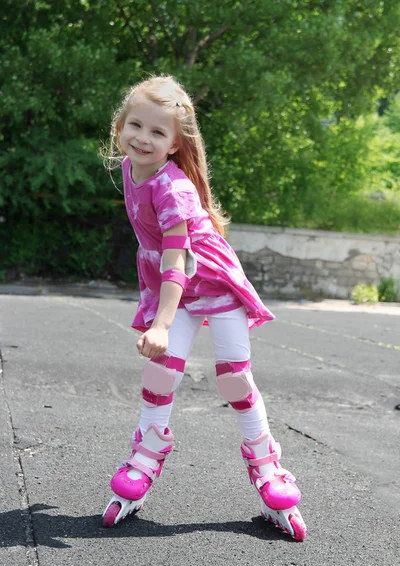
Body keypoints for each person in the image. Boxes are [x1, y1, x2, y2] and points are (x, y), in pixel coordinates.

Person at [102, 75, 306, 540]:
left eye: (158, 133)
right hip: (177, 284)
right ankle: (147, 451)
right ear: (120, 127)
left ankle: (267, 463)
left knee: (233, 376)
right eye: (135, 125)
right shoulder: (133, 170)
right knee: (161, 373)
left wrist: (161, 323)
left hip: (208, 280)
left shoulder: (171, 189)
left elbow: (177, 262)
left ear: (175, 145)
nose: (143, 138)